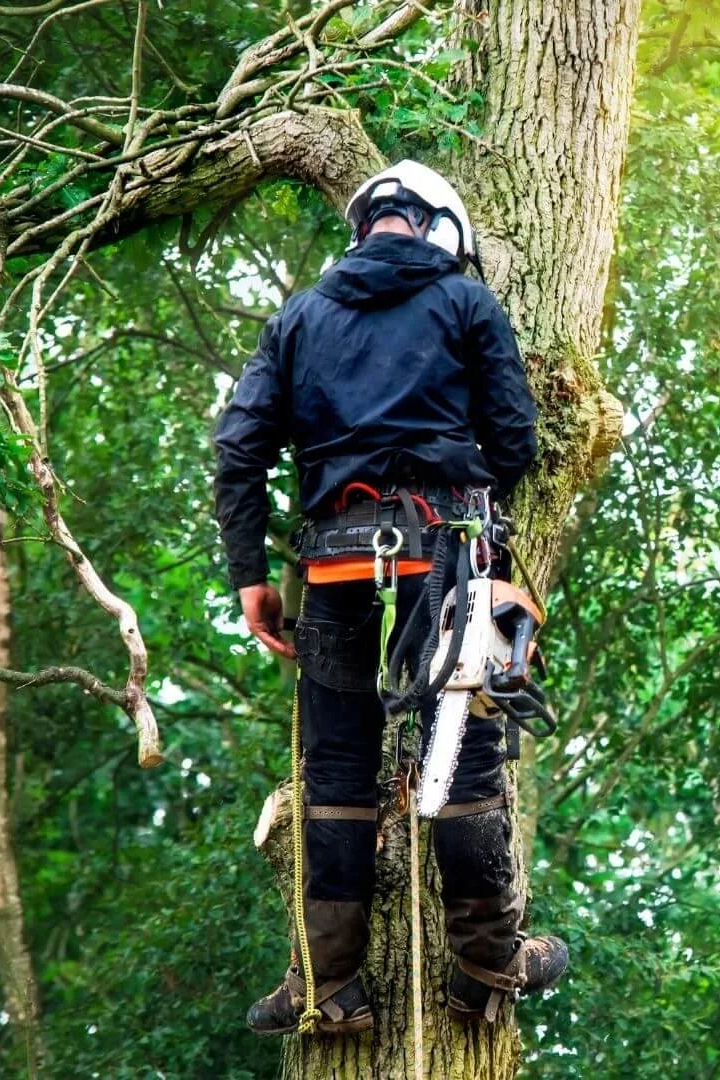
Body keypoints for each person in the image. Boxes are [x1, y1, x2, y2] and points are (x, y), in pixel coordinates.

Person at [213, 160, 568, 1035]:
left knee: (336, 770)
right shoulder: (466, 303)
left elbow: (239, 450)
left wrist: (250, 577)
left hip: (334, 570)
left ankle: (328, 988)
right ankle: (487, 963)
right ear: (443, 230)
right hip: (445, 560)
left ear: (364, 229)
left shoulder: (299, 317)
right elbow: (516, 442)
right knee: (465, 762)